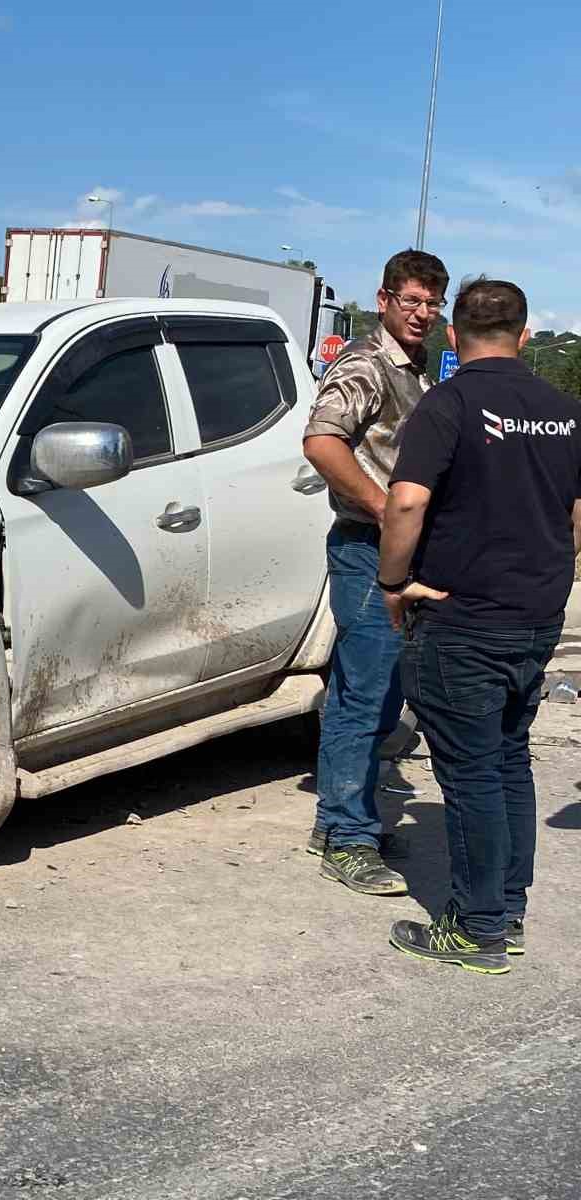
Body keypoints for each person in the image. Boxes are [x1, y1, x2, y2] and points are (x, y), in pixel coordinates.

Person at [378, 278, 581, 974]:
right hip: (534, 614)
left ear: (453, 336)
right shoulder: (562, 409)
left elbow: (405, 504)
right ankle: (509, 913)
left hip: (464, 617)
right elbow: (577, 518)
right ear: (524, 337)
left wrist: (392, 581)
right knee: (508, 761)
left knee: (469, 775)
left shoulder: (450, 402)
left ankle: (476, 928)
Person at [302, 249, 449, 895]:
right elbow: (321, 440)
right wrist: (385, 509)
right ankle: (347, 837)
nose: (423, 313)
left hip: (397, 554)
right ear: (384, 299)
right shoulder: (366, 364)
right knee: (366, 695)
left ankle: (341, 819)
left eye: (432, 302)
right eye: (411, 300)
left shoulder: (415, 372)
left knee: (380, 694)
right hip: (367, 550)